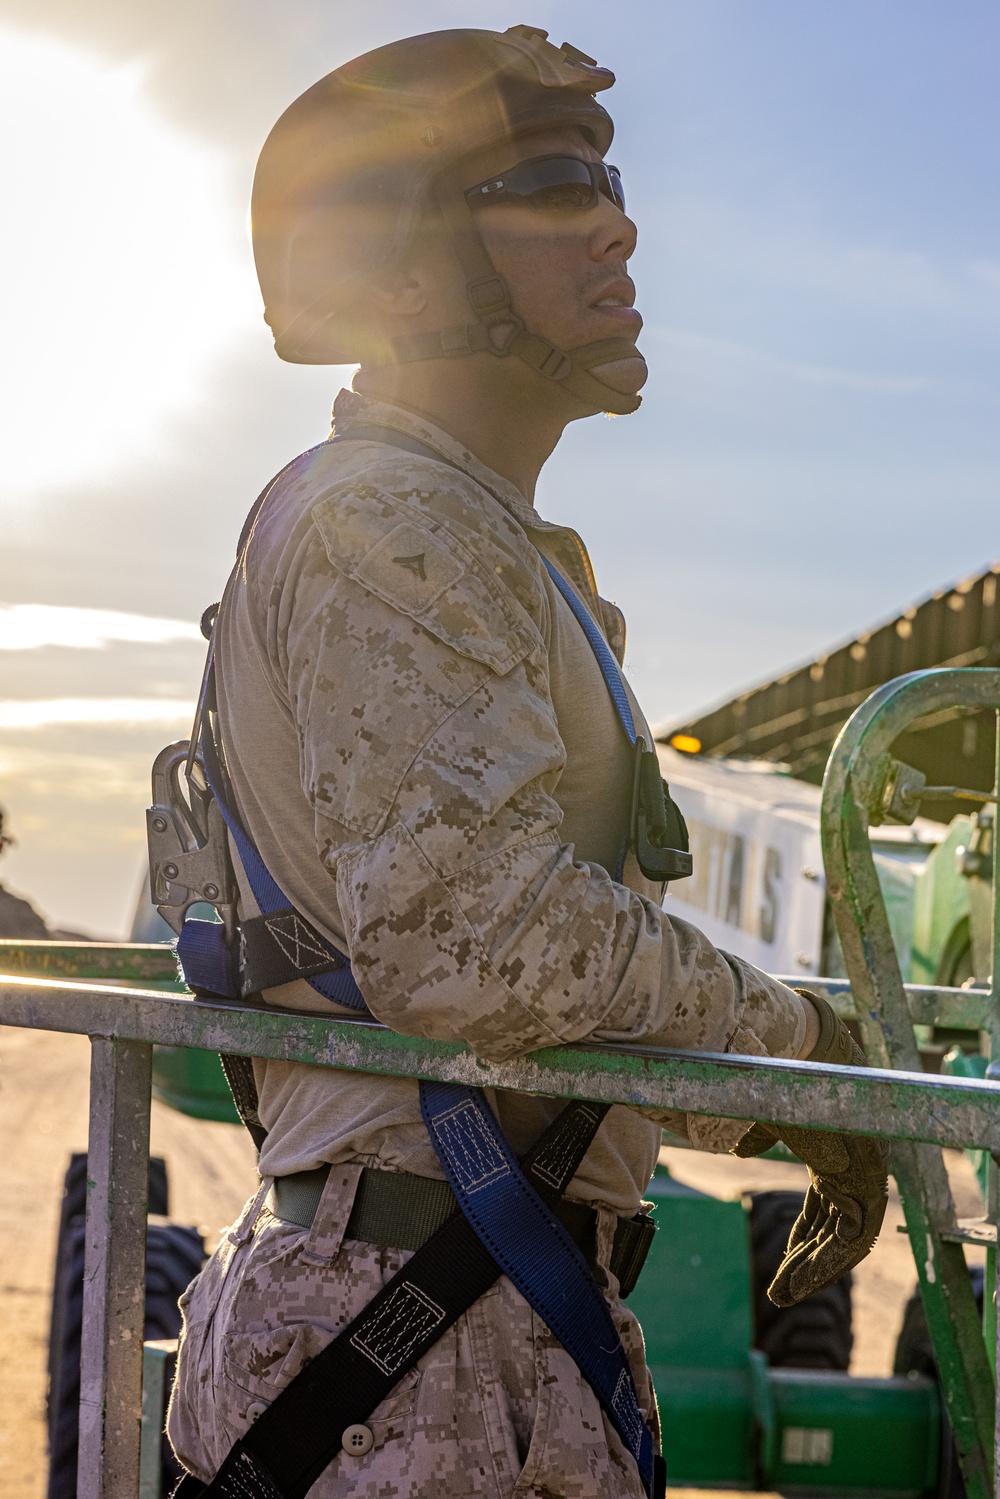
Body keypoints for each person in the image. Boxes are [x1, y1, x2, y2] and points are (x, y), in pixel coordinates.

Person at [166, 27, 886, 1498]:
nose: (617, 226)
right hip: (415, 1335)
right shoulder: (392, 525)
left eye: (609, 185)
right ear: (404, 279)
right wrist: (803, 1055)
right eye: (555, 187)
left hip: (462, 1310)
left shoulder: (469, 532)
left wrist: (774, 1087)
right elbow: (477, 943)